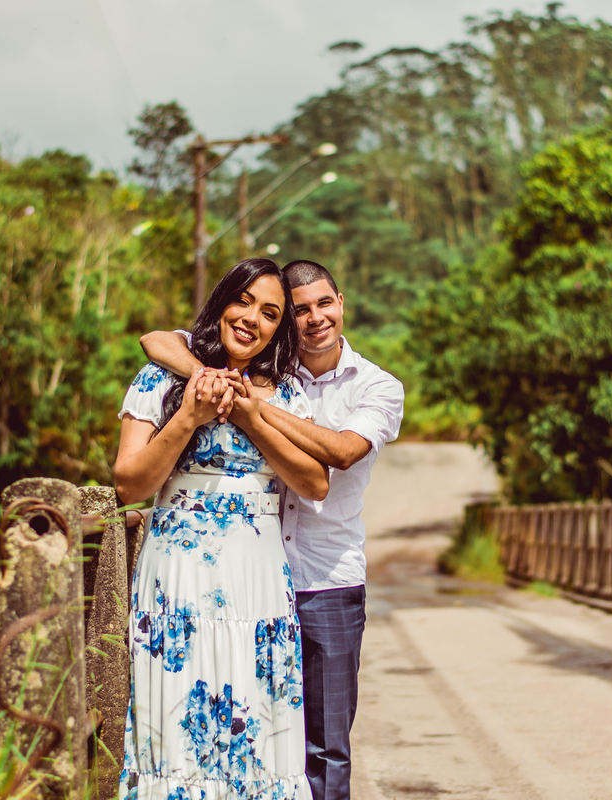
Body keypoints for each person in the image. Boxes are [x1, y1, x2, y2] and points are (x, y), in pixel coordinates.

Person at [140, 260, 405, 800]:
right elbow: (158, 340)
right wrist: (212, 379)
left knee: (325, 746)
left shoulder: (374, 385)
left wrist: (244, 403)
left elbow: (340, 454)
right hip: (251, 581)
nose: (314, 319)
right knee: (258, 736)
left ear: (342, 303)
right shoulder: (256, 363)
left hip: (324, 577)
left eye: (323, 304)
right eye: (300, 310)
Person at [114, 258, 328, 800]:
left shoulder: (284, 394)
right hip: (177, 573)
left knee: (256, 719)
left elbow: (314, 481)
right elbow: (129, 486)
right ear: (221, 302)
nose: (252, 318)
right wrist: (190, 415)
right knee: (172, 717)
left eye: (270, 313)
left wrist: (249, 416)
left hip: (254, 577)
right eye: (244, 301)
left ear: (279, 329)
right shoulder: (161, 378)